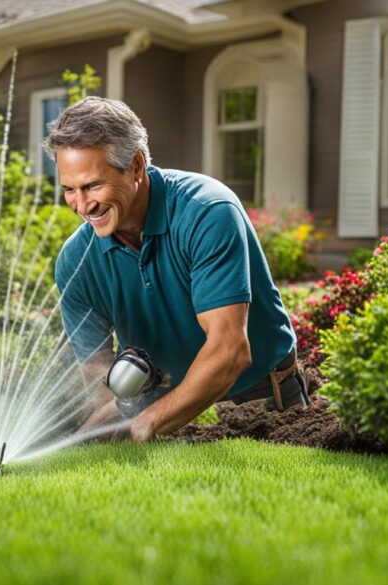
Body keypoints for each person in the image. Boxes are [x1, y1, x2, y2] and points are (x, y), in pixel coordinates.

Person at [48, 97, 305, 443]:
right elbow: (96, 369)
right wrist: (104, 426)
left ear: (136, 166)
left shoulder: (206, 212)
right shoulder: (76, 262)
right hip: (158, 404)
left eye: (93, 185)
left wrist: (148, 422)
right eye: (69, 190)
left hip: (254, 398)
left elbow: (230, 350)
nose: (82, 205)